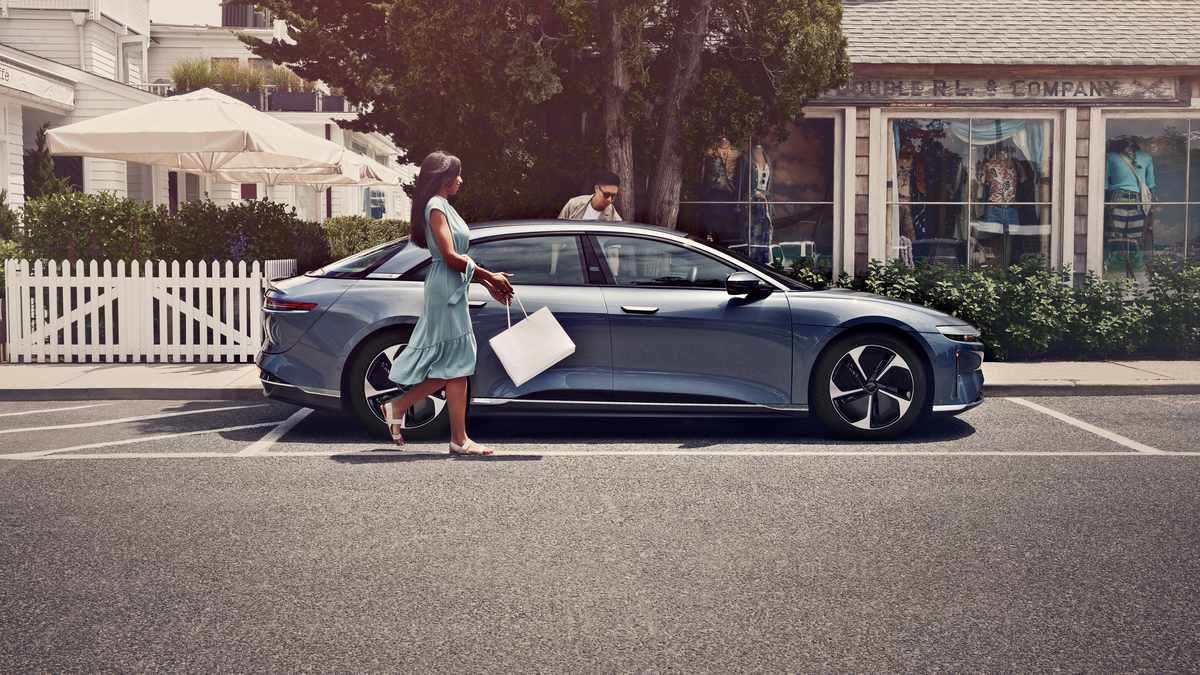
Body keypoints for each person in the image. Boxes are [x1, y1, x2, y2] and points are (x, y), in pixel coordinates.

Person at [379, 151, 514, 455]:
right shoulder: (436, 206)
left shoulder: (443, 206)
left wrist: (486, 282)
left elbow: (457, 261)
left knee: (457, 363)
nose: (461, 180)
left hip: (452, 286)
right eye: (458, 174)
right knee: (459, 362)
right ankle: (451, 434)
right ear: (443, 177)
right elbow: (451, 257)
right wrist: (490, 277)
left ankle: (450, 434)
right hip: (445, 289)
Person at [558, 171, 622, 221]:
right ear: (596, 189)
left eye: (613, 196)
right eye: (606, 194)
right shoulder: (573, 204)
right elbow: (559, 228)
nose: (609, 199)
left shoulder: (614, 218)